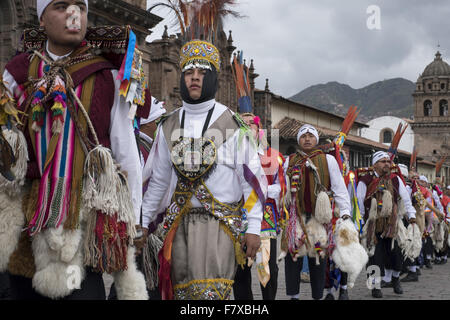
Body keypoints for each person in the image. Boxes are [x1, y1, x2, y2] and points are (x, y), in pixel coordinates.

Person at [0, 0, 150, 300]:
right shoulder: (17, 72)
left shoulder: (106, 76)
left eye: (79, 8)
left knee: (82, 291)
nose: (73, 15)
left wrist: (134, 219)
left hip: (82, 218)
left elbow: (125, 151)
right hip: (27, 224)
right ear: (41, 19)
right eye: (61, 6)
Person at [140, 39, 266, 300]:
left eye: (202, 73)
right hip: (177, 227)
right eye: (189, 72)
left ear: (213, 78)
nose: (194, 78)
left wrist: (254, 227)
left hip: (219, 228)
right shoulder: (168, 124)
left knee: (208, 296)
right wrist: (143, 222)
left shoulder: (232, 124)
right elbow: (159, 182)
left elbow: (251, 181)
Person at [282, 124, 351, 300]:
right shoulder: (290, 160)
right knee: (293, 256)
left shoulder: (328, 160)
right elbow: (283, 189)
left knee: (318, 258)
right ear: (298, 140)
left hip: (319, 219)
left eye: (310, 136)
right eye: (303, 136)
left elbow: (339, 188)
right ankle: (293, 296)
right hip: (296, 218)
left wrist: (345, 213)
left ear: (316, 139)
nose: (307, 139)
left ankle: (318, 296)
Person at [233, 113, 285, 300]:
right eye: (242, 124)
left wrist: (259, 188)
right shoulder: (231, 155)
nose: (247, 127)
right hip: (237, 215)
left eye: (251, 124)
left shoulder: (273, 156)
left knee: (267, 266)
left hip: (265, 216)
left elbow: (281, 188)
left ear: (259, 130)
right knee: (240, 268)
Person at [357, 151, 416, 298]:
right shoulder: (365, 180)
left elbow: (405, 198)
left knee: (396, 253)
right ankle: (375, 286)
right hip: (372, 223)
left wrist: (412, 216)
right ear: (375, 164)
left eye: (388, 162)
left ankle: (395, 279)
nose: (386, 164)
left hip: (392, 223)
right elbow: (359, 200)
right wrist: (362, 221)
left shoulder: (395, 179)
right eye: (383, 161)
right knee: (373, 256)